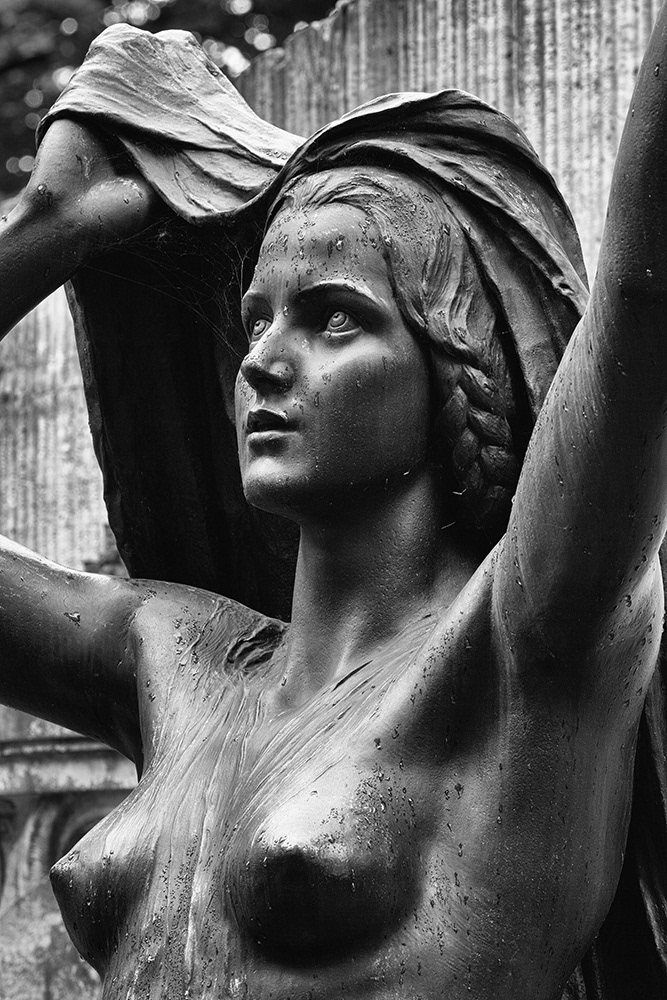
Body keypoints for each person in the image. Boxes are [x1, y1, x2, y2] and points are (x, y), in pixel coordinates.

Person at [0, 9, 666, 1000]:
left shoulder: (520, 650)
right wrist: (46, 229)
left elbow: (641, 302)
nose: (263, 361)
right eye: (255, 320)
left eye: (333, 318)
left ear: (456, 368)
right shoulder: (171, 653)